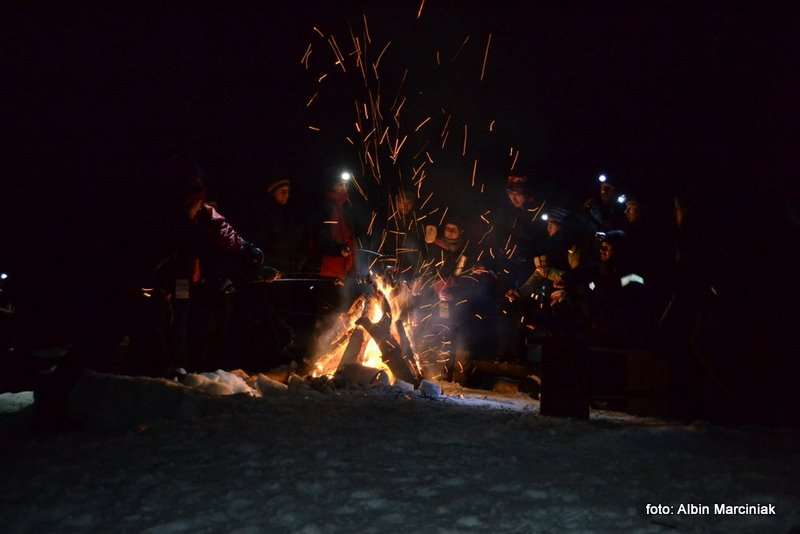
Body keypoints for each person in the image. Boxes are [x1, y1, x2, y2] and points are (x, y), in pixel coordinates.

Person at [153, 156, 264, 374]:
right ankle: (175, 364)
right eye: (192, 187)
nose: (194, 194)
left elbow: (224, 231)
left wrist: (247, 248)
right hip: (177, 274)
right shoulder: (173, 213)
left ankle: (187, 364)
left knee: (192, 317)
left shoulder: (204, 212)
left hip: (193, 275)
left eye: (197, 187)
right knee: (178, 317)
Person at [251, 175, 308, 275]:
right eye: (283, 192)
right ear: (273, 193)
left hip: (288, 270)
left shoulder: (290, 214)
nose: (287, 195)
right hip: (271, 271)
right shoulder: (264, 215)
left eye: (288, 192)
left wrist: (299, 261)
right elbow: (260, 244)